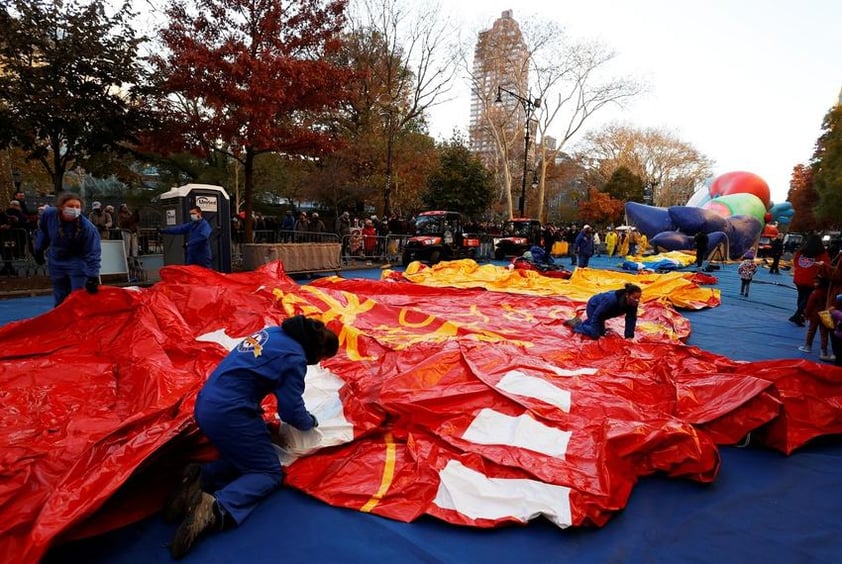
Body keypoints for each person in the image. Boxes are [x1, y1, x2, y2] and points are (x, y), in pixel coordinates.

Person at [165, 315, 339, 558]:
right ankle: (215, 507)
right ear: (317, 350)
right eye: (319, 360)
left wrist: (262, 424)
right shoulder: (295, 357)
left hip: (207, 405)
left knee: (248, 454)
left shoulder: (274, 333)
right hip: (230, 414)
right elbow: (290, 410)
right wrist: (311, 422)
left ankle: (199, 475)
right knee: (267, 472)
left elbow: (247, 376)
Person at [33, 192, 102, 306]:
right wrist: (39, 249)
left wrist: (93, 276)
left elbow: (93, 252)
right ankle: (62, 319)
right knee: (60, 296)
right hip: (56, 259)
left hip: (77, 261)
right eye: (70, 206)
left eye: (77, 207)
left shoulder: (88, 228)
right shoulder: (49, 215)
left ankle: (79, 319)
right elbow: (43, 231)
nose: (74, 209)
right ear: (61, 207)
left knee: (78, 295)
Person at [564, 283, 642, 340]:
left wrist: (629, 337)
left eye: (638, 298)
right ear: (627, 295)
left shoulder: (633, 303)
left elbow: (631, 319)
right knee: (596, 334)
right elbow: (597, 315)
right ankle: (576, 324)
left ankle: (589, 323)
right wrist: (596, 334)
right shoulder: (611, 299)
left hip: (606, 313)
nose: (637, 300)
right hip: (594, 307)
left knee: (601, 331)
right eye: (634, 297)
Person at [789, 234, 830, 326]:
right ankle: (798, 315)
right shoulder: (822, 253)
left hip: (799, 278)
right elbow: (826, 265)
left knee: (801, 296)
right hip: (811, 280)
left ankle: (797, 314)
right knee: (807, 299)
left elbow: (795, 262)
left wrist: (800, 270)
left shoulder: (801, 252)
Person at [799, 274, 833, 361]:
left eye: (816, 282)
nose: (814, 283)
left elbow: (810, 305)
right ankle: (823, 351)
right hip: (825, 314)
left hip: (815, 315)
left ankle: (808, 346)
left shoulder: (815, 293)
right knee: (824, 334)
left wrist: (806, 314)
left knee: (811, 331)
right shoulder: (829, 292)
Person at [828, 294, 842, 367]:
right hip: (838, 334)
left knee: (839, 354)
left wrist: (833, 312)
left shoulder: (836, 313)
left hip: (838, 336)